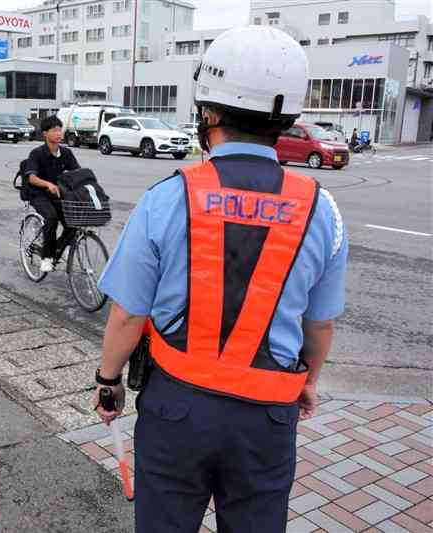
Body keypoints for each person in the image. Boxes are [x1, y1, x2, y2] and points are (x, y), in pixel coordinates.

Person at [92, 26, 348, 533]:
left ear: (208, 113)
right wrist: (308, 383)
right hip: (269, 415)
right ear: (287, 117)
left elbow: (127, 315)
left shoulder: (167, 197)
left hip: (177, 410)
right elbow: (320, 326)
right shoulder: (321, 208)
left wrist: (108, 383)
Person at [24, 116, 81, 273]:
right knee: (52, 218)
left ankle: (56, 248)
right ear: (45, 134)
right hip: (38, 194)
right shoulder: (37, 153)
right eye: (54, 130)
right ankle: (46, 257)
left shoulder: (66, 153)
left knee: (74, 222)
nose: (58, 133)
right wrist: (47, 184)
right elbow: (31, 177)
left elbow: (77, 173)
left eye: (60, 129)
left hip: (57, 195)